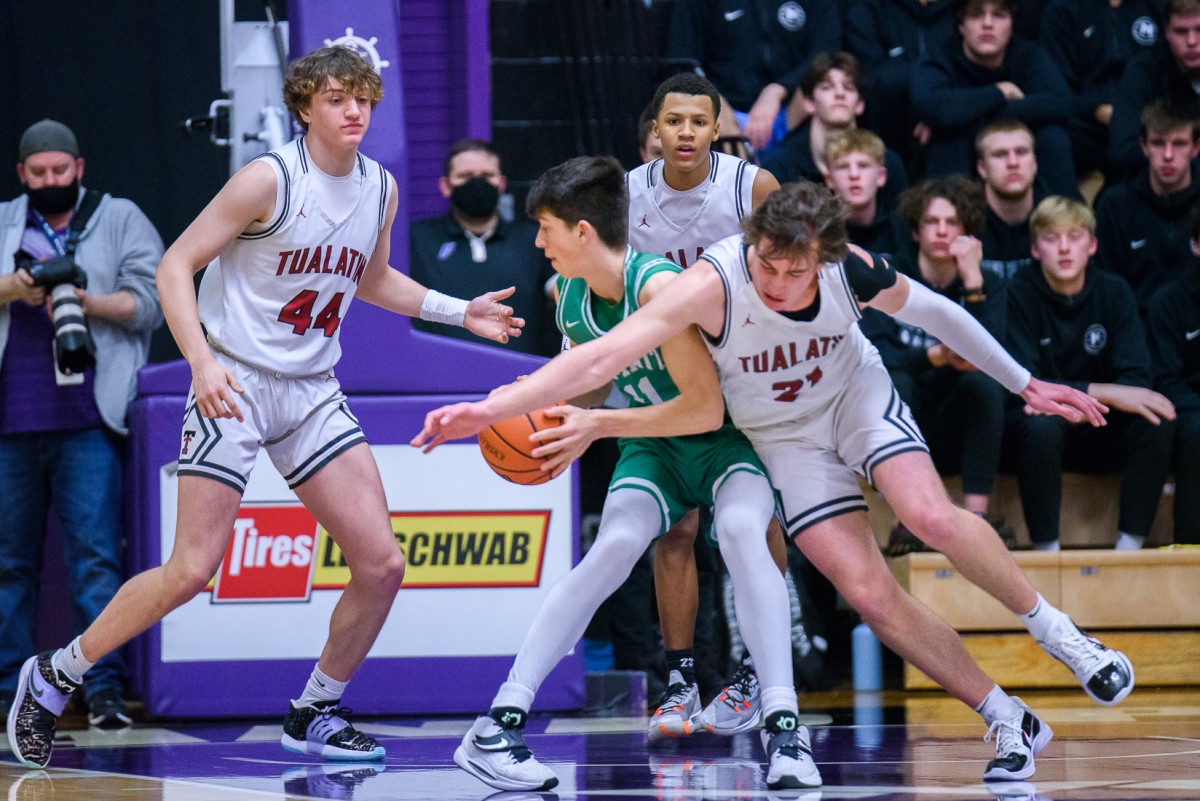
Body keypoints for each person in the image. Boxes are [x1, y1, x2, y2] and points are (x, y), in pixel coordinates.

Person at [414, 181, 1135, 783]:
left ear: (822, 255)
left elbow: (937, 312)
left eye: (796, 272)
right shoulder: (712, 282)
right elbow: (598, 360)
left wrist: (1025, 381)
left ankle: (1067, 637)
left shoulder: (850, 268)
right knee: (867, 590)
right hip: (786, 440)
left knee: (928, 514)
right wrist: (490, 407)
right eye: (768, 264)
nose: (779, 282)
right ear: (751, 241)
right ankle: (1007, 717)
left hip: (854, 397)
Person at [4, 46, 521, 771]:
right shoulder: (267, 180)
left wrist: (457, 310)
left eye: (364, 99)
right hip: (236, 379)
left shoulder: (380, 187)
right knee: (190, 569)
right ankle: (56, 670)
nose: (354, 111)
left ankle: (316, 708)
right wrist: (202, 361)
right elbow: (175, 265)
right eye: (338, 98)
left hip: (311, 390)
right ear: (306, 107)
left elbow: (372, 279)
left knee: (382, 564)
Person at [446, 156, 815, 793]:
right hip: (656, 445)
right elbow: (594, 387)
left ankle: (785, 728)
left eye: (545, 229)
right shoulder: (570, 297)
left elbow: (704, 407)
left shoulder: (661, 290)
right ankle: (496, 727)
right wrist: (557, 418)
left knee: (739, 534)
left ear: (583, 232)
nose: (537, 242)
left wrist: (599, 426)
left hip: (728, 439)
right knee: (612, 549)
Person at [627, 72, 801, 738]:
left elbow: (792, 272)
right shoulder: (625, 196)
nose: (687, 133)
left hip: (747, 369)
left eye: (700, 121)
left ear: (718, 127)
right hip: (669, 376)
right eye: (674, 121)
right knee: (674, 527)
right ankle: (679, 678)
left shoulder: (751, 186)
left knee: (754, 525)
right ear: (655, 131)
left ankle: (763, 672)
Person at [0, 119, 163, 729]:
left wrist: (81, 297)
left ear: (79, 167)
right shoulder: (4, 221)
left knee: (95, 558)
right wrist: (19, 288)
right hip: (11, 418)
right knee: (7, 563)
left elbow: (151, 304)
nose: (49, 181)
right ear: (21, 175)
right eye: (37, 174)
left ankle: (103, 690)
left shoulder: (118, 218)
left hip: (90, 417)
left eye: (59, 171)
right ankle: (6, 690)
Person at [1004, 196, 1176, 551]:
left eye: (1075, 236)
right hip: (1044, 428)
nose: (1064, 248)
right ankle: (1046, 553)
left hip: (1099, 427)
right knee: (1040, 425)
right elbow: (1025, 384)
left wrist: (1096, 397)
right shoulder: (1018, 293)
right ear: (1035, 249)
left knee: (1157, 416)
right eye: (1052, 238)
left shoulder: (1115, 291)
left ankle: (1130, 549)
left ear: (1093, 245)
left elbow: (1136, 380)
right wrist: (1105, 392)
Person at [865, 175, 1013, 554]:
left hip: (958, 423)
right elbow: (876, 354)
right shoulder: (887, 276)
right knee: (895, 380)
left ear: (968, 234)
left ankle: (976, 518)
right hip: (901, 420)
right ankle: (906, 520)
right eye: (933, 222)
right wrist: (936, 355)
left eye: (953, 223)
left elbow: (991, 357)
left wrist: (973, 283)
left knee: (982, 384)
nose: (943, 231)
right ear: (916, 231)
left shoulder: (987, 282)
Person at [911, 0, 1080, 199]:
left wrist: (965, 116)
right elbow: (934, 107)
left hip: (1013, 148)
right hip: (959, 153)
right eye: (976, 16)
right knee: (948, 140)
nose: (988, 24)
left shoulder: (1029, 55)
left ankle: (1062, 221)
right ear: (960, 26)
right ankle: (950, 222)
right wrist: (998, 92)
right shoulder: (940, 57)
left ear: (1012, 25)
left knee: (1053, 136)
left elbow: (1060, 101)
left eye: (999, 15)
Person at [408, 138, 558, 356]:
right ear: (445, 185)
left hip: (521, 377)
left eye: (487, 176)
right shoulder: (416, 239)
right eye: (465, 176)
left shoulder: (535, 239)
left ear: (502, 183)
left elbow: (562, 288)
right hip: (436, 378)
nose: (477, 184)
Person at [664, 0, 843, 154]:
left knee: (823, 91)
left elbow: (827, 52)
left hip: (791, 109)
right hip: (724, 112)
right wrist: (711, 101)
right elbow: (682, 62)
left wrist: (779, 89)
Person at [1095, 100, 1200, 317]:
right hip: (1134, 330)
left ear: (1196, 147)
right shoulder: (1115, 205)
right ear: (1144, 146)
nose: (1168, 155)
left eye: (1179, 143)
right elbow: (1104, 290)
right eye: (1159, 143)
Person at [761, 52, 908, 206]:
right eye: (827, 87)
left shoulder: (886, 163)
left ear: (860, 105)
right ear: (809, 103)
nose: (839, 94)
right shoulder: (781, 164)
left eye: (848, 87)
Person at [1040, 0, 1165, 180]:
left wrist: (1131, 115)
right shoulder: (1062, 9)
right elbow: (1055, 86)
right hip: (1086, 124)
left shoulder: (1158, 6)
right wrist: (1096, 111)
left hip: (1148, 120)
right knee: (1051, 139)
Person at [842, 0, 957, 166]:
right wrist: (928, 106)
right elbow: (873, 77)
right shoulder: (868, 8)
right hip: (888, 129)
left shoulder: (960, 9)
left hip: (949, 121)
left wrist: (936, 109)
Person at [1145, 203, 1200, 544]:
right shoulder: (1169, 301)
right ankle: (1191, 547)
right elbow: (1166, 380)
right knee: (1197, 432)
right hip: (1191, 411)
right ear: (1196, 245)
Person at [1109, 0, 1200, 175]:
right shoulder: (1144, 71)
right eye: (1181, 31)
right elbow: (1122, 150)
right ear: (1166, 31)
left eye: (1199, 30)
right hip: (1156, 188)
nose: (1192, 41)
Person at [823, 129, 910, 262]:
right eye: (843, 167)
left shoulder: (903, 231)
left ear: (881, 176)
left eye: (863, 166)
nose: (854, 175)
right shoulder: (818, 233)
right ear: (829, 179)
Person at [975, 120, 1043, 279]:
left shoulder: (1058, 219)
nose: (1013, 163)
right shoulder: (960, 222)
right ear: (982, 168)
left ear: (1034, 163)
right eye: (1000, 154)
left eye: (1021, 152)